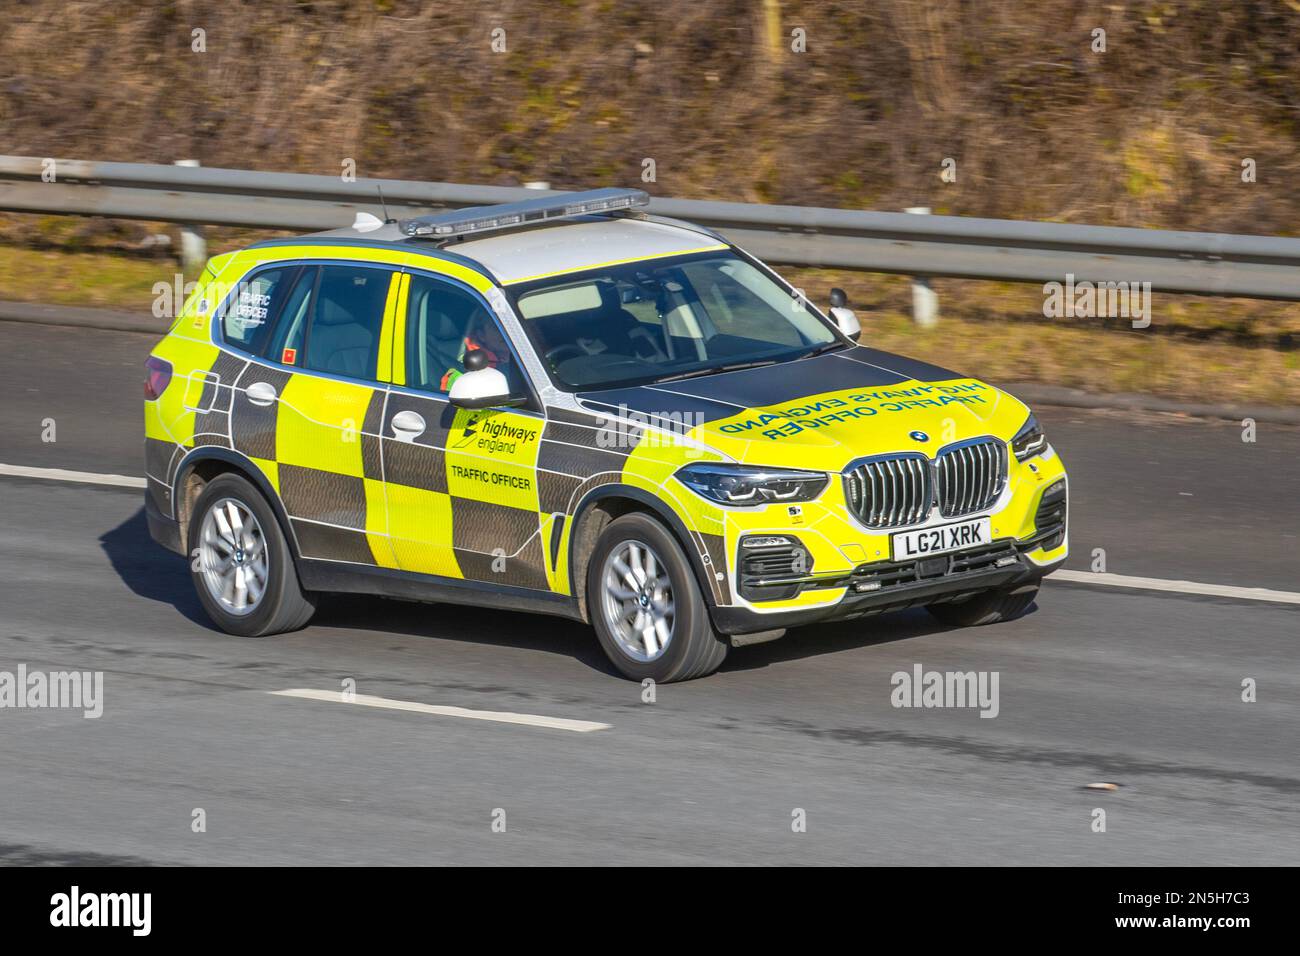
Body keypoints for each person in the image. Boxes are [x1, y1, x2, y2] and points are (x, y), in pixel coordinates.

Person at [440, 312, 512, 391]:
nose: (506, 333)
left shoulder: (520, 356)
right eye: (496, 328)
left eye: (509, 327)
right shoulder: (464, 372)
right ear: (481, 335)